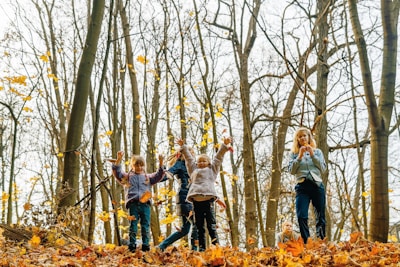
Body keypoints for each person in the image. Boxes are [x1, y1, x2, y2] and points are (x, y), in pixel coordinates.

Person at [177, 136, 232, 251]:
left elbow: (218, 158)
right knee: (199, 226)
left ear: (208, 163)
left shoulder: (212, 170)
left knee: (211, 225)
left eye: (204, 161)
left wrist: (224, 146)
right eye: (199, 161)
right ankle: (202, 248)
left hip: (208, 201)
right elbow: (188, 159)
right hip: (196, 202)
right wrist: (183, 147)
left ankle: (216, 246)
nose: (201, 163)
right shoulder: (193, 170)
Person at [111, 151, 165, 252]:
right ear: (132, 165)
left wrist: (161, 163)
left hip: (145, 204)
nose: (139, 167)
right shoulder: (128, 177)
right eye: (136, 165)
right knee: (133, 225)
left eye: (141, 165)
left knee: (145, 225)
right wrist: (118, 159)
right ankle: (132, 245)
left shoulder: (147, 177)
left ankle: (145, 245)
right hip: (133, 204)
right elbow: (118, 173)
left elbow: (159, 175)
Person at [288, 127, 327, 243]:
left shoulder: (318, 152)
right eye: (300, 136)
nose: (302, 138)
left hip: (316, 185)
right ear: (297, 140)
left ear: (309, 137)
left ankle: (321, 241)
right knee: (301, 215)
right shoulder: (294, 154)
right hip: (302, 186)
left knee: (320, 215)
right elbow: (291, 170)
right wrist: (299, 157)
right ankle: (306, 242)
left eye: (304, 135)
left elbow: (323, 168)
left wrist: (313, 155)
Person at [157, 149, 198, 251]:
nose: (190, 155)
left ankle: (161, 246)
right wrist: (162, 168)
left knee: (184, 230)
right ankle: (195, 251)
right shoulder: (179, 164)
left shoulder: (194, 167)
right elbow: (164, 177)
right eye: (188, 153)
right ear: (181, 155)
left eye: (192, 153)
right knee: (197, 223)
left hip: (193, 198)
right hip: (185, 198)